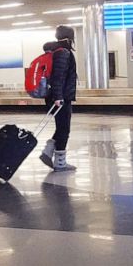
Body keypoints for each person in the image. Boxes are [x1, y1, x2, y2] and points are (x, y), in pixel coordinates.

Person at [39, 25, 78, 172]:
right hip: (60, 97)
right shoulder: (63, 52)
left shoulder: (55, 50)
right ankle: (60, 163)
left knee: (61, 127)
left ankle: (48, 152)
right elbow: (58, 76)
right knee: (64, 129)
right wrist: (58, 97)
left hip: (57, 95)